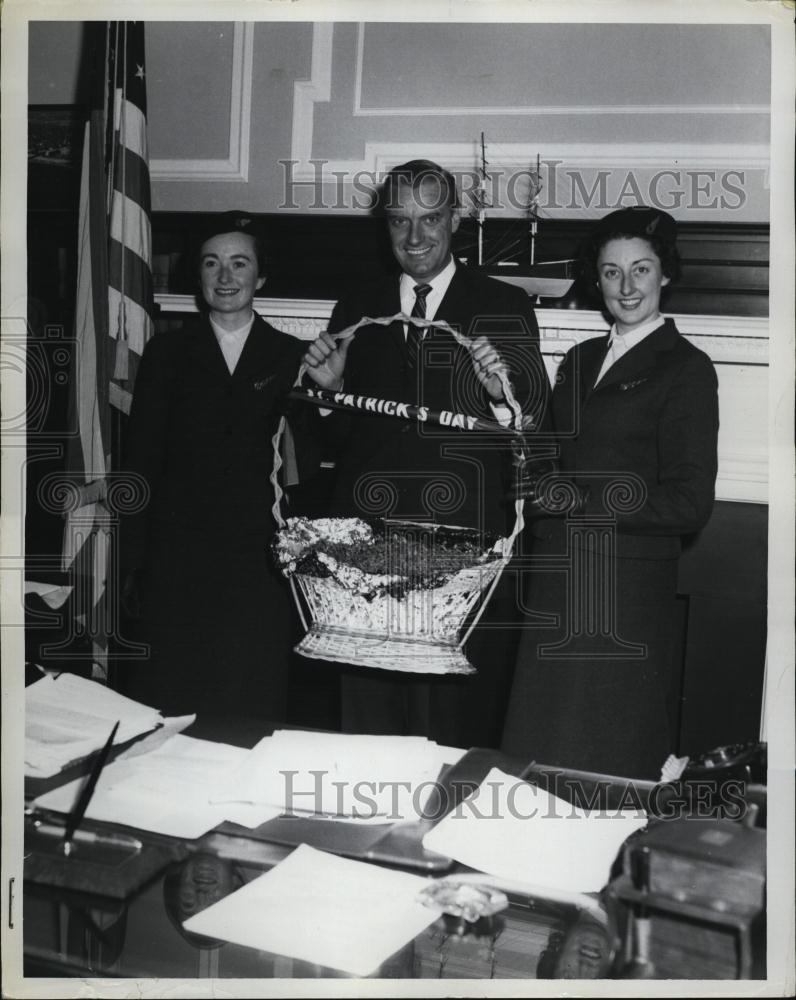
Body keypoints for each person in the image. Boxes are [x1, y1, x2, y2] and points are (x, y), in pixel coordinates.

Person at [303, 160, 549, 746]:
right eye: (399, 221)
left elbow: (534, 432)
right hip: (363, 547)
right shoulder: (357, 305)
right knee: (368, 719)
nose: (414, 238)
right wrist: (330, 395)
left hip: (457, 549)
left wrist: (499, 400)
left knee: (443, 728)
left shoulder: (504, 303)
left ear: (455, 218)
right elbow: (339, 443)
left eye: (430, 218)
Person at [502, 206, 719, 780]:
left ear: (664, 276)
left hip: (624, 594)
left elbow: (689, 502)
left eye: (641, 270)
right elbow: (550, 455)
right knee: (541, 754)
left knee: (605, 756)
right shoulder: (577, 361)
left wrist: (578, 501)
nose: (626, 287)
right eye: (611, 272)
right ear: (595, 279)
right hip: (555, 581)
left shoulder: (687, 370)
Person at [119, 212, 313, 719]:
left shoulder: (292, 357)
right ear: (198, 276)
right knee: (170, 696)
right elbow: (141, 460)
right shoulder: (166, 354)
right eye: (212, 263)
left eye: (239, 263)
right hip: (176, 559)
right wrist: (132, 565)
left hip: (260, 562)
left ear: (260, 277)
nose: (225, 277)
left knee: (249, 694)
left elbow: (306, 466)